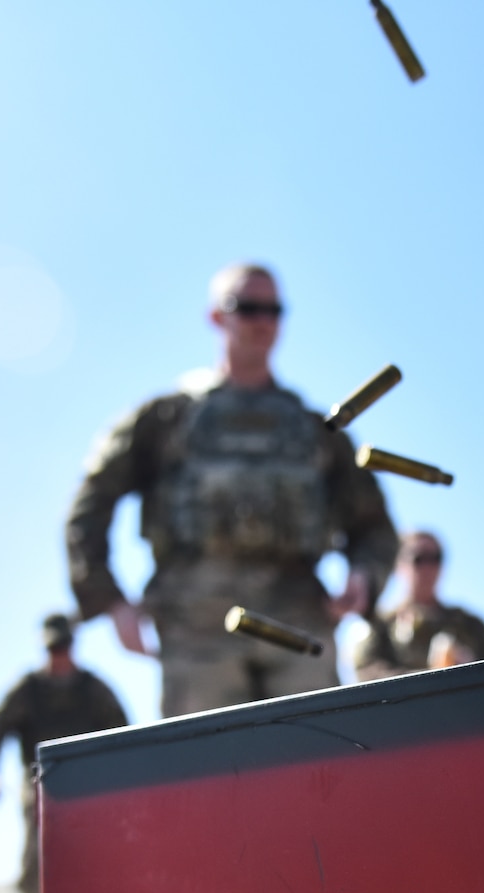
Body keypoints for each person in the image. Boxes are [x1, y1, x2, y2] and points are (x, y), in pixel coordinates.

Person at [65, 263, 399, 717]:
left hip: (298, 621)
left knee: (316, 768)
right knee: (209, 775)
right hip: (196, 627)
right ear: (216, 317)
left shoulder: (314, 431)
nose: (262, 321)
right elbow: (90, 504)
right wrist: (108, 600)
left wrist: (363, 578)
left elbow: (374, 527)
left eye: (274, 310)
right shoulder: (166, 419)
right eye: (247, 307)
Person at [0, 613, 129, 893]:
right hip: (43, 796)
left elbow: (127, 736)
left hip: (93, 800)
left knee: (108, 879)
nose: (57, 656)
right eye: (51, 649)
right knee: (35, 877)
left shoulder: (93, 690)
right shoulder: (27, 691)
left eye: (62, 648)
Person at [353, 529, 484, 679]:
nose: (428, 567)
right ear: (399, 565)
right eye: (419, 558)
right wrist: (432, 677)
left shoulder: (470, 624)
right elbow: (366, 672)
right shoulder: (381, 625)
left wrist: (472, 668)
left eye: (436, 558)